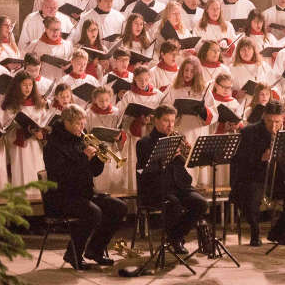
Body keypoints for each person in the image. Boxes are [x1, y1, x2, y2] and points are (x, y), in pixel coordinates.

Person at [43, 103, 128, 269]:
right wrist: (84, 158)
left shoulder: (81, 140)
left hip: (84, 193)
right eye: (77, 124)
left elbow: (93, 173)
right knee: (93, 213)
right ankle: (73, 254)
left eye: (83, 124)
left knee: (120, 208)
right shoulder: (53, 145)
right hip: (61, 197)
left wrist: (99, 158)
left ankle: (95, 250)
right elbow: (61, 175)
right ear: (66, 122)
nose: (81, 128)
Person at [231, 100, 285, 247]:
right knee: (253, 193)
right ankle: (255, 233)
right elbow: (238, 162)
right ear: (263, 117)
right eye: (269, 121)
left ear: (283, 119)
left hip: (279, 181)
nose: (273, 126)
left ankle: (279, 233)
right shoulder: (249, 132)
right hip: (254, 178)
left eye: (277, 122)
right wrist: (260, 158)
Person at [136, 105, 208, 254]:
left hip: (180, 185)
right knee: (173, 204)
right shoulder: (144, 143)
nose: (170, 125)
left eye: (172, 121)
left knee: (200, 203)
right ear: (156, 120)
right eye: (165, 121)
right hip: (157, 188)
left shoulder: (177, 138)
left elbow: (184, 163)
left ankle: (175, 237)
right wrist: (167, 158)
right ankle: (175, 241)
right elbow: (146, 172)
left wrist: (185, 153)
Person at [2, 71, 49, 199]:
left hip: (35, 146)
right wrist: (24, 130)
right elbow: (6, 127)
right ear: (17, 86)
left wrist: (42, 133)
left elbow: (45, 123)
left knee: (36, 172)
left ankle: (40, 204)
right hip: (19, 146)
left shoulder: (39, 104)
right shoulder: (11, 105)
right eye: (24, 85)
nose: (28, 88)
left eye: (30, 85)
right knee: (21, 173)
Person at [30, 16, 74, 82]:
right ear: (46, 29)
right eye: (52, 29)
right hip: (42, 83)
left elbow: (73, 68)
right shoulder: (35, 45)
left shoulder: (67, 45)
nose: (55, 32)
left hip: (61, 83)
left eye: (58, 29)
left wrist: (69, 67)